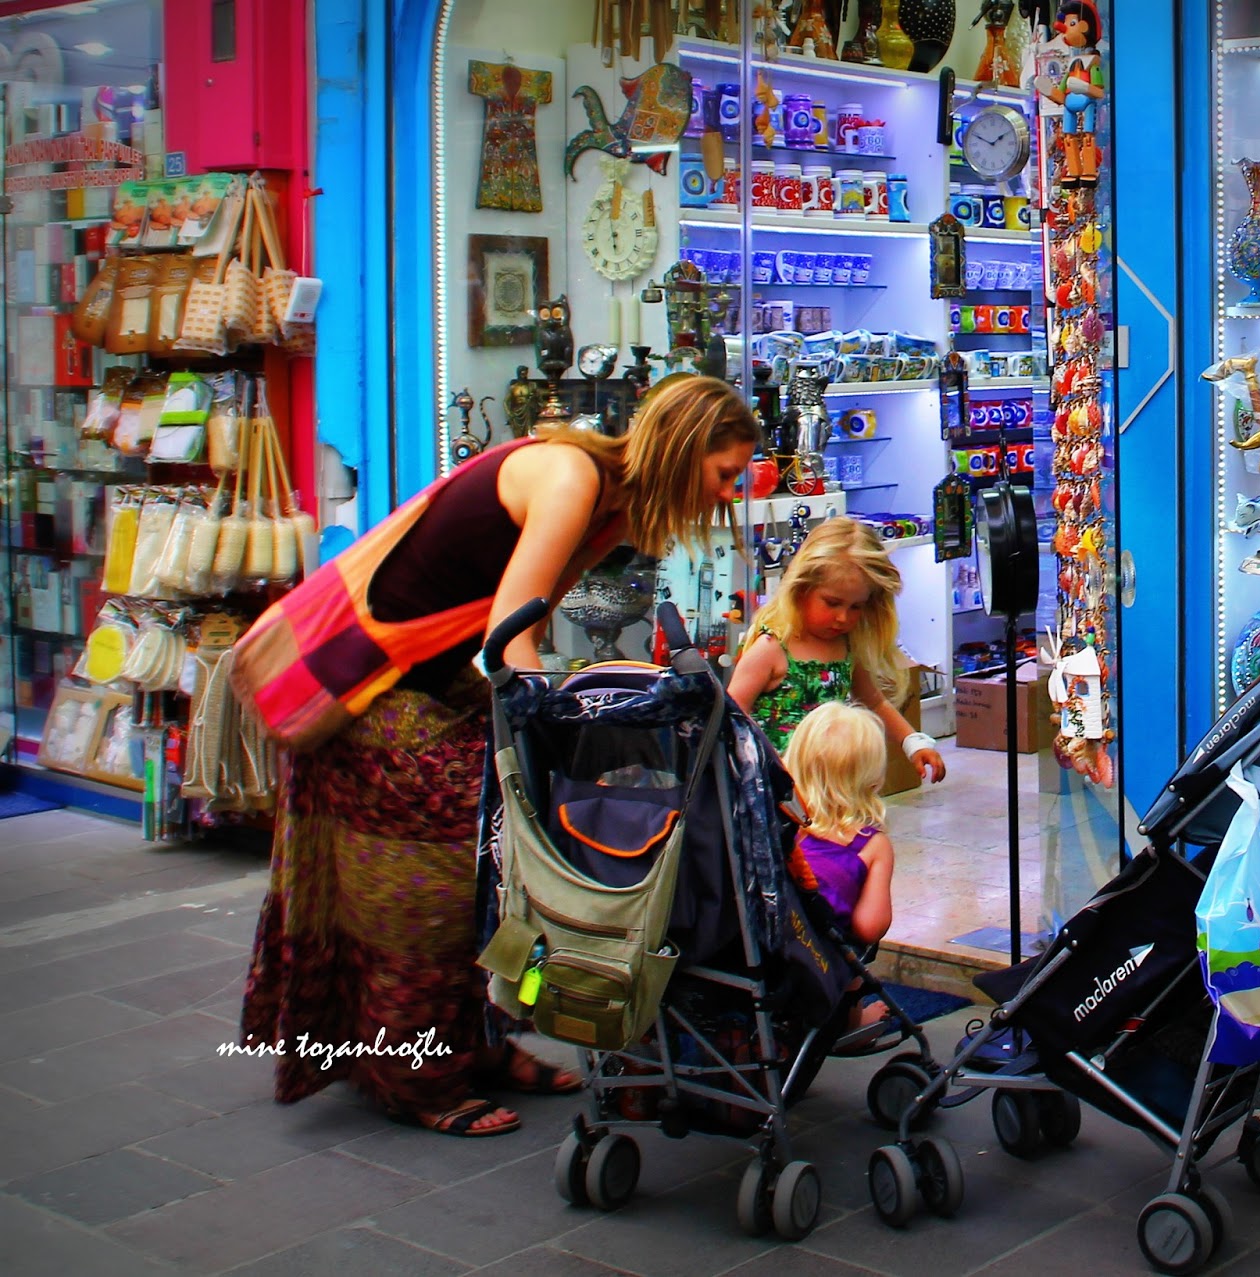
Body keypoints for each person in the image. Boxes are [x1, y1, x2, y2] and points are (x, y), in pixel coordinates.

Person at [241, 375, 760, 1137]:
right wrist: (554, 709)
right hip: (376, 686)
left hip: (421, 676)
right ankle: (418, 1073)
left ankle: (476, 1045)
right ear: (684, 452)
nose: (728, 493)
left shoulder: (611, 509)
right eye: (724, 474)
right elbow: (511, 630)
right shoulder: (572, 477)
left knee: (496, 854)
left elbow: (538, 618)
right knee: (445, 869)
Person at [727, 517, 947, 784]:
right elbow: (734, 715)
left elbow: (874, 701)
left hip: (834, 783)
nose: (843, 618)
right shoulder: (771, 648)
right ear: (801, 589)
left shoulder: (846, 647)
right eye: (832, 603)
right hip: (781, 789)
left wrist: (913, 741)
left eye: (856, 607)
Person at [782, 701, 896, 1029]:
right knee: (854, 944)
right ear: (871, 777)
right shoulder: (871, 845)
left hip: (762, 951)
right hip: (818, 963)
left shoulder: (780, 825)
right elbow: (869, 927)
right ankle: (850, 1020)